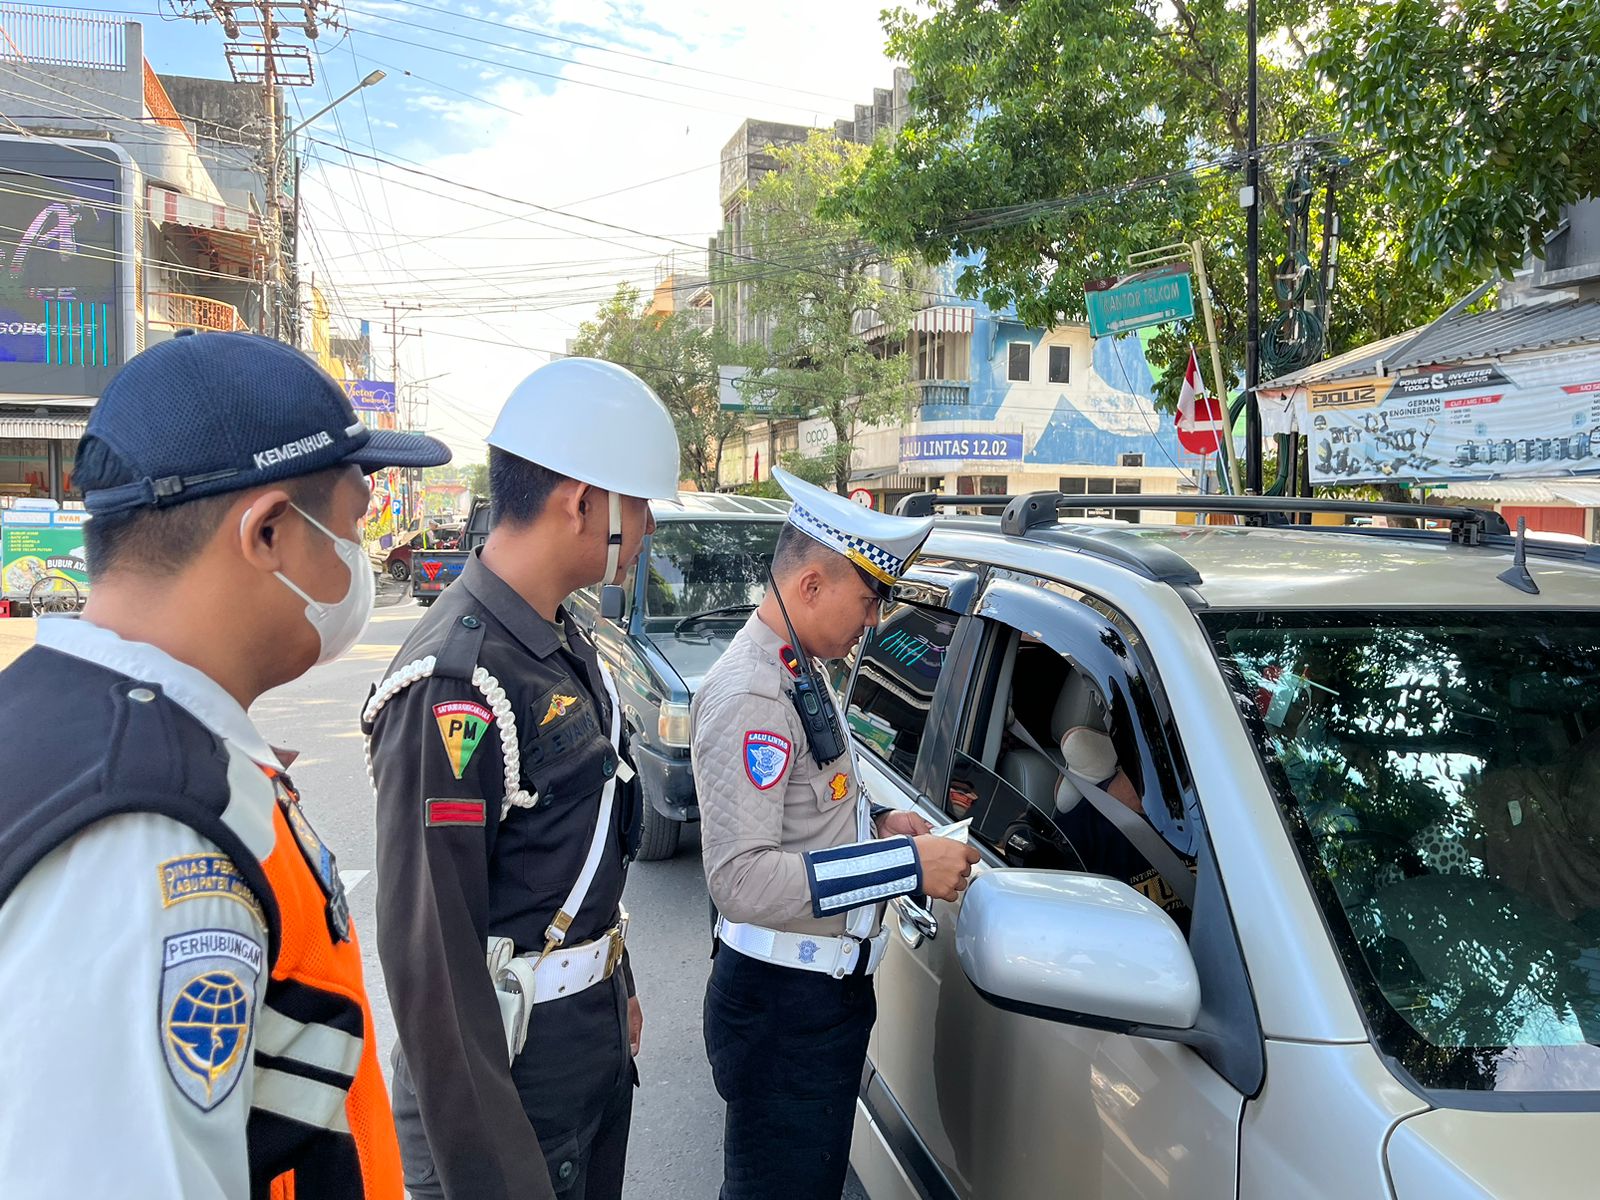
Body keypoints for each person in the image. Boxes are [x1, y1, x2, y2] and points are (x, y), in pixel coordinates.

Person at [0, 331, 449, 1197]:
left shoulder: (84, 724)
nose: (358, 560)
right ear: (270, 531)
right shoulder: (147, 844)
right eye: (353, 527)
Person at [363, 357, 679, 1200]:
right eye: (638, 503)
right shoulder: (455, 680)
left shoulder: (559, 638)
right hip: (506, 1091)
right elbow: (434, 966)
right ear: (583, 502)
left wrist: (617, 985)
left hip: (582, 1050)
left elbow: (575, 853)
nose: (646, 525)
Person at [693, 467, 981, 1200]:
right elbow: (744, 879)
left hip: (815, 1000)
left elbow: (804, 807)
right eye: (868, 598)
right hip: (783, 1007)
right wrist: (902, 865)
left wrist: (881, 825)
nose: (874, 621)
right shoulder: (753, 693)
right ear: (812, 585)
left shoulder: (801, 662)